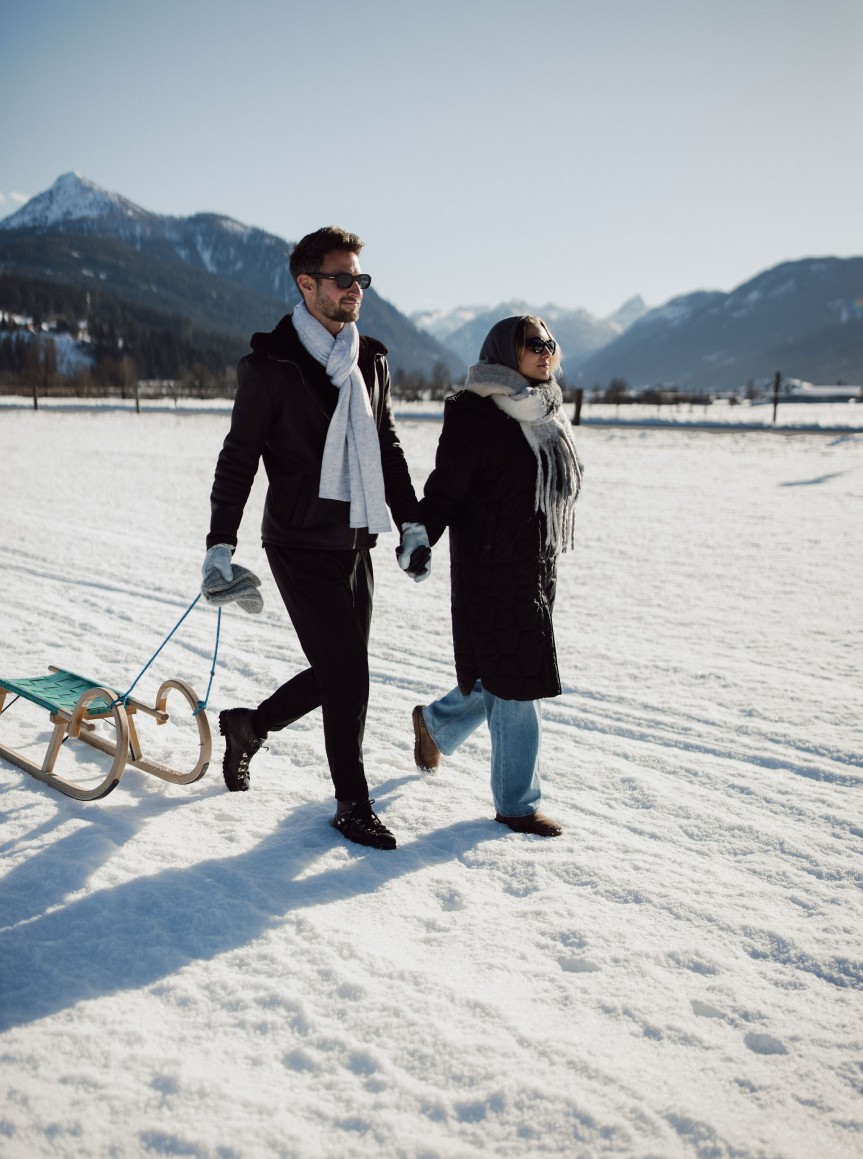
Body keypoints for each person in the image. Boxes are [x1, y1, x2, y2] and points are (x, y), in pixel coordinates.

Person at [203, 226, 430, 850]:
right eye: (343, 279)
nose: (356, 289)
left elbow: (385, 447)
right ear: (308, 285)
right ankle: (352, 804)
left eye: (361, 278)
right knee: (349, 673)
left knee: (339, 671)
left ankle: (250, 725)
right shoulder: (270, 365)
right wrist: (220, 543)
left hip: (356, 539)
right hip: (298, 540)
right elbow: (239, 456)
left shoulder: (371, 359)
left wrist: (410, 522)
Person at [411, 315, 583, 836]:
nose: (545, 351)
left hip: (534, 566)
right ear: (504, 354)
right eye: (533, 344)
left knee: (502, 675)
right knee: (517, 684)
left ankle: (436, 723)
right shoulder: (475, 413)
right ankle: (517, 804)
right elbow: (446, 488)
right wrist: (421, 533)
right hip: (490, 570)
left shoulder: (546, 412)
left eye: (550, 343)